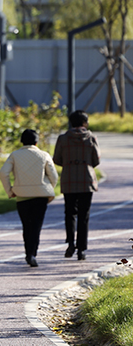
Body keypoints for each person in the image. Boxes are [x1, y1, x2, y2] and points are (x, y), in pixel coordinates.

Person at [0, 129, 59, 267]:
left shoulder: (14, 155)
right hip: (41, 196)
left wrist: (10, 190)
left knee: (27, 226)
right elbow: (54, 176)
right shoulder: (44, 155)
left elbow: (3, 172)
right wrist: (48, 188)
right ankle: (33, 254)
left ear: (21, 141)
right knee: (36, 226)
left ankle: (28, 253)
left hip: (22, 196)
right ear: (37, 142)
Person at [53, 110, 101, 261]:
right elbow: (96, 160)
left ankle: (70, 243)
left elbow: (57, 158)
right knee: (84, 215)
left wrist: (69, 164)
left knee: (69, 213)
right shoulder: (91, 138)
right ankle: (82, 249)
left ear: (71, 122)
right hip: (86, 179)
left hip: (68, 178)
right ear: (85, 123)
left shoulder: (63, 138)